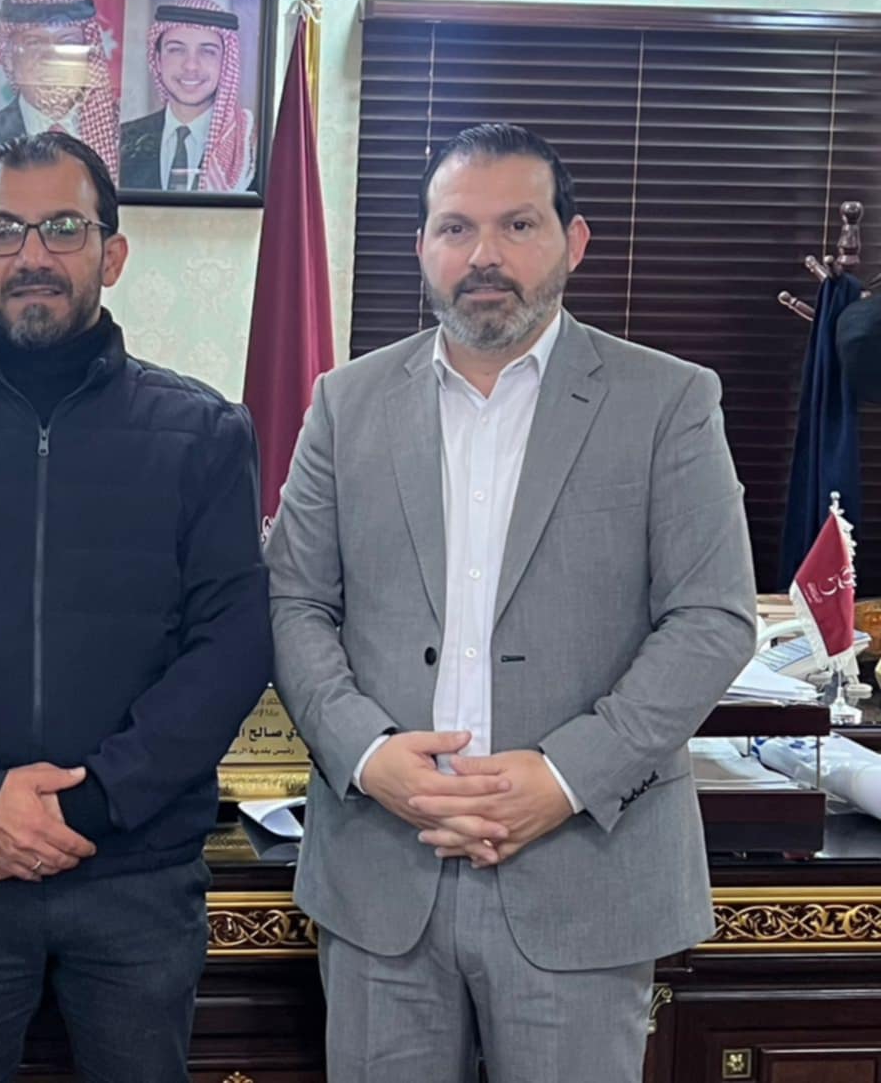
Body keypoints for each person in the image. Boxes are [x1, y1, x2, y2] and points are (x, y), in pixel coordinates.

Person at [265, 122, 757, 1082]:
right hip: (382, 869)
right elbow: (293, 600)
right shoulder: (345, 403)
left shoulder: (667, 401)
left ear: (574, 241)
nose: (483, 255)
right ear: (422, 247)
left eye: (518, 224)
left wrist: (563, 777)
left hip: (583, 870)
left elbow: (711, 618)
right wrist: (368, 756)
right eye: (456, 228)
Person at [0, 131, 270, 1082]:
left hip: (136, 874)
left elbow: (232, 645)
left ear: (113, 252)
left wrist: (92, 804)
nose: (33, 254)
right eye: (7, 230)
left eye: (63, 228)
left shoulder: (203, 434)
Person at [0, 0, 121, 178]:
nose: (52, 57)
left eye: (67, 42)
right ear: (9, 59)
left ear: (88, 58)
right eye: (35, 42)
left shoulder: (121, 137)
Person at [119, 0, 257, 193]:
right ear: (157, 60)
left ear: (225, 63)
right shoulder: (123, 140)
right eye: (176, 50)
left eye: (207, 52)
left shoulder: (249, 148)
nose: (191, 65)